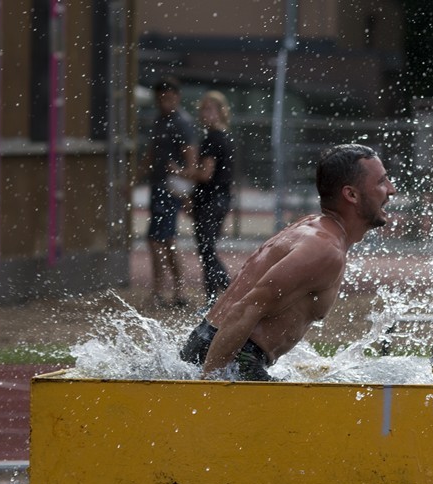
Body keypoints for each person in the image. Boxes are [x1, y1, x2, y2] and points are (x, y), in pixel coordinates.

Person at [179, 144, 396, 381]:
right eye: (381, 182)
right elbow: (244, 310)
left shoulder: (313, 228)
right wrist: (207, 385)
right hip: (231, 355)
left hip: (214, 343)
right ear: (351, 194)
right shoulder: (324, 250)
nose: (391, 190)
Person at [170, 91, 235, 304]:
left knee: (207, 251)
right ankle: (213, 299)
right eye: (202, 109)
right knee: (208, 250)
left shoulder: (212, 138)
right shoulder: (225, 137)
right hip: (220, 199)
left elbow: (205, 174)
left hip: (210, 201)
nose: (203, 113)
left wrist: (179, 172)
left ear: (220, 112)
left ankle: (228, 292)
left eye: (208, 109)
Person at [141, 76, 198, 308]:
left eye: (168, 97)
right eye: (160, 98)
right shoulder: (160, 121)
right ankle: (175, 290)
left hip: (170, 189)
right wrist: (136, 178)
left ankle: (166, 290)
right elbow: (152, 154)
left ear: (177, 97)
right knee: (165, 238)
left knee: (158, 239)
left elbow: (191, 162)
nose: (164, 102)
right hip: (159, 187)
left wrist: (185, 191)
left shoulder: (181, 123)